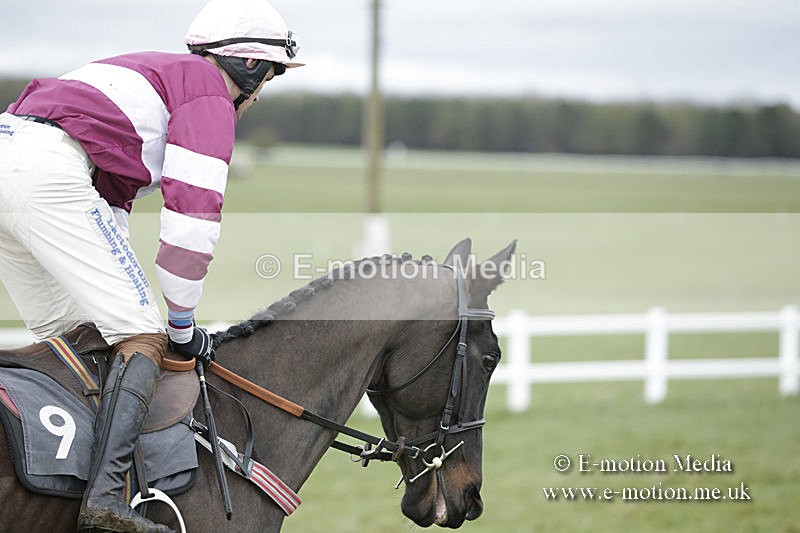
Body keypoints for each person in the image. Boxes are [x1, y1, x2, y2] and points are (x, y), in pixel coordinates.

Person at [0, 0, 303, 531]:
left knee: (78, 337)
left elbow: (109, 207)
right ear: (249, 66)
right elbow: (192, 223)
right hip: (44, 173)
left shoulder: (150, 75)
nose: (258, 97)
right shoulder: (208, 94)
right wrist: (180, 326)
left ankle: (55, 495)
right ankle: (106, 501)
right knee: (142, 334)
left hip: (17, 158)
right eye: (269, 77)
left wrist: (132, 295)